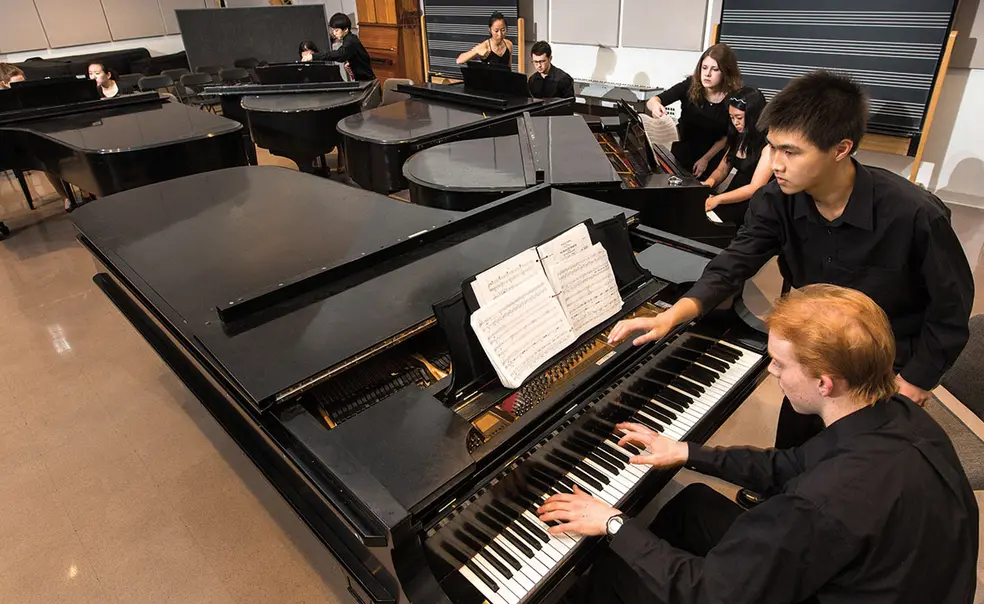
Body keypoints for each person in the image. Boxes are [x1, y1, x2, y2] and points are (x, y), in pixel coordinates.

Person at [610, 69, 974, 507]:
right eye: (772, 148)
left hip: (887, 366)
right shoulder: (778, 199)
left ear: (842, 149)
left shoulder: (915, 215)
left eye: (790, 151)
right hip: (813, 351)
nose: (775, 163)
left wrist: (916, 381)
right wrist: (675, 312)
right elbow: (735, 262)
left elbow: (951, 310)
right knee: (795, 447)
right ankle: (779, 502)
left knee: (858, 483)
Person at [539, 284, 978, 604]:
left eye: (781, 364)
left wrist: (614, 523)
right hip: (895, 578)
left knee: (620, 568)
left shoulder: (817, 505)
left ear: (824, 383)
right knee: (692, 504)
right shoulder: (900, 418)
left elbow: (712, 593)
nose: (771, 372)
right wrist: (687, 452)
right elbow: (790, 465)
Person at [646, 44, 740, 180]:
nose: (707, 74)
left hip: (711, 157)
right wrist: (655, 105)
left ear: (726, 72)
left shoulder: (732, 97)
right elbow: (654, 100)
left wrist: (705, 159)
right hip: (682, 151)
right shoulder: (690, 85)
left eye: (715, 69)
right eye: (704, 68)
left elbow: (727, 137)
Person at [1, 65, 76, 211]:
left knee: (58, 152)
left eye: (23, 83)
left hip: (34, 134)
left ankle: (83, 191)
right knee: (45, 159)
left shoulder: (30, 94)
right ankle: (65, 197)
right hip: (14, 142)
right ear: (4, 84)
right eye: (16, 84)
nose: (21, 88)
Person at [701, 86, 771, 226]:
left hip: (754, 204)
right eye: (732, 117)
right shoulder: (739, 136)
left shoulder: (768, 145)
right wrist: (706, 186)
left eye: (739, 117)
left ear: (753, 116)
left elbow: (755, 187)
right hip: (733, 194)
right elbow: (722, 169)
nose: (735, 122)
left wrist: (718, 199)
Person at [304, 13, 375, 81]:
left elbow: (340, 54)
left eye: (337, 30)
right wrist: (351, 62)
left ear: (346, 29)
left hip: (368, 81)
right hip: (363, 79)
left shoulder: (351, 41)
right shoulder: (350, 38)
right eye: (333, 30)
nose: (334, 33)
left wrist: (314, 56)